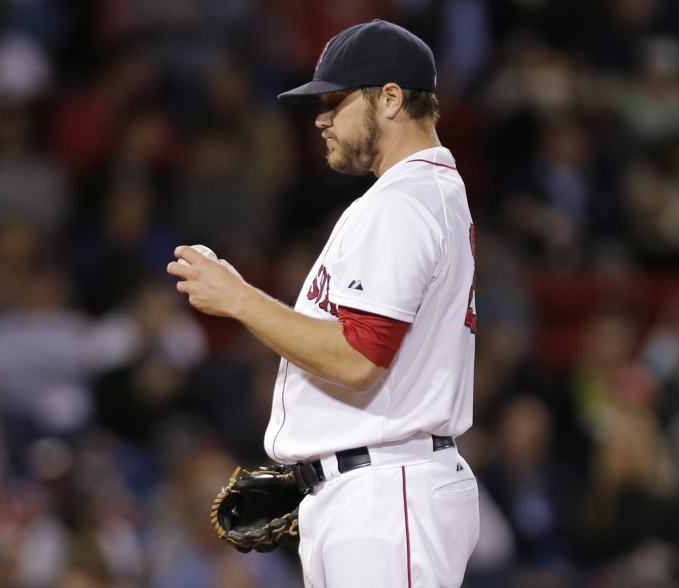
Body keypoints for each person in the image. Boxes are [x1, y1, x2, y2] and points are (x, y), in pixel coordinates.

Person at [167, 20, 480, 588]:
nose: (320, 117)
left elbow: (359, 359)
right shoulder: (428, 194)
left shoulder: (402, 203)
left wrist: (238, 299)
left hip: (387, 495)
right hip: (379, 486)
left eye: (336, 100)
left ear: (390, 99)